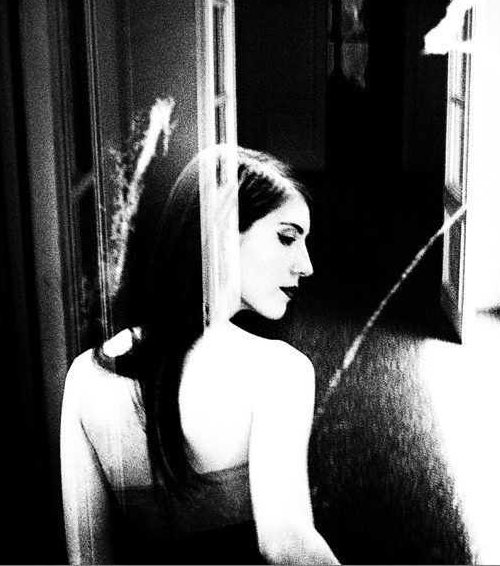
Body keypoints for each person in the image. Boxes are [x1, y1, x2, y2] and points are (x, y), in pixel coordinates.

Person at [60, 145, 340, 565]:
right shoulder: (278, 370)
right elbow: (286, 542)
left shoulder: (86, 374)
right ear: (222, 232)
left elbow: (87, 559)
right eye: (286, 237)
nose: (306, 265)